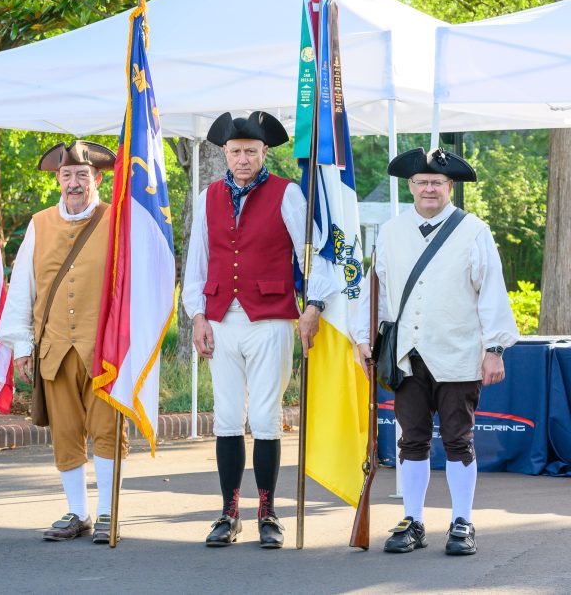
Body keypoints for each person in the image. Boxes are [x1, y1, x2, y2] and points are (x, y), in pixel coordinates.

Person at [181, 111, 338, 549]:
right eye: (236, 152)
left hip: (269, 317)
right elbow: (197, 260)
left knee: (266, 417)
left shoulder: (287, 193)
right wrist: (197, 315)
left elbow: (314, 255)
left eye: (251, 151)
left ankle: (268, 513)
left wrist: (314, 305)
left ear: (264, 152)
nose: (243, 158)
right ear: (225, 155)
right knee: (228, 417)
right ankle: (228, 513)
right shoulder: (208, 195)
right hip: (219, 318)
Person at [353, 147, 518, 557]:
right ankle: (413, 520)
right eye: (422, 182)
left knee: (459, 440)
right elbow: (378, 292)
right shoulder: (391, 232)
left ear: (450, 187)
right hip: (408, 354)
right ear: (410, 186)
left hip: (459, 351)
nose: (429, 188)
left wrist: (494, 348)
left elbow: (491, 291)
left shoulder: (474, 230)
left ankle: (462, 521)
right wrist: (363, 336)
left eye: (438, 182)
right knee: (412, 440)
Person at [0, 140, 128, 544]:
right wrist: (22, 346)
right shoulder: (39, 223)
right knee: (66, 433)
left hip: (105, 348)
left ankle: (108, 513)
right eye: (67, 175)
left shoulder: (118, 219)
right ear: (58, 178)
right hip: (54, 348)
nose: (74, 183)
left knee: (107, 429)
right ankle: (78, 513)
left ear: (98, 178)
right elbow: (23, 287)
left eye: (82, 176)